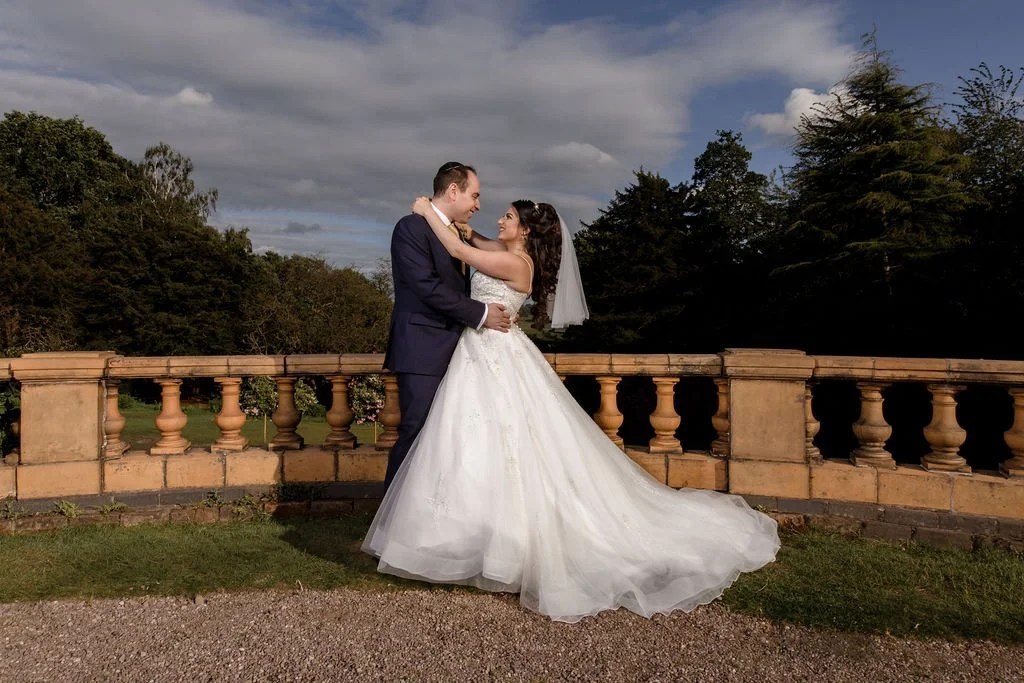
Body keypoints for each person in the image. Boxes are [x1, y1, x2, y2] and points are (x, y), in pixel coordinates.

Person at [363, 197, 780, 623]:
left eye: (508, 216)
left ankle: (504, 542)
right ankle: (463, 535)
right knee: (474, 442)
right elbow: (471, 238)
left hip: (495, 354)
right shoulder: (504, 253)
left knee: (504, 442)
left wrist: (426, 210)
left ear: (525, 230)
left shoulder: (518, 265)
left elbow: (457, 251)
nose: (498, 219)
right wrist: (454, 221)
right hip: (478, 354)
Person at [382, 162, 512, 489]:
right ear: (453, 190)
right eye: (475, 196)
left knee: (447, 440)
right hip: (422, 349)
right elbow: (426, 287)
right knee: (416, 433)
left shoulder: (455, 233)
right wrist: (482, 314)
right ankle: (388, 526)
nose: (478, 205)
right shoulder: (410, 228)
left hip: (458, 351)